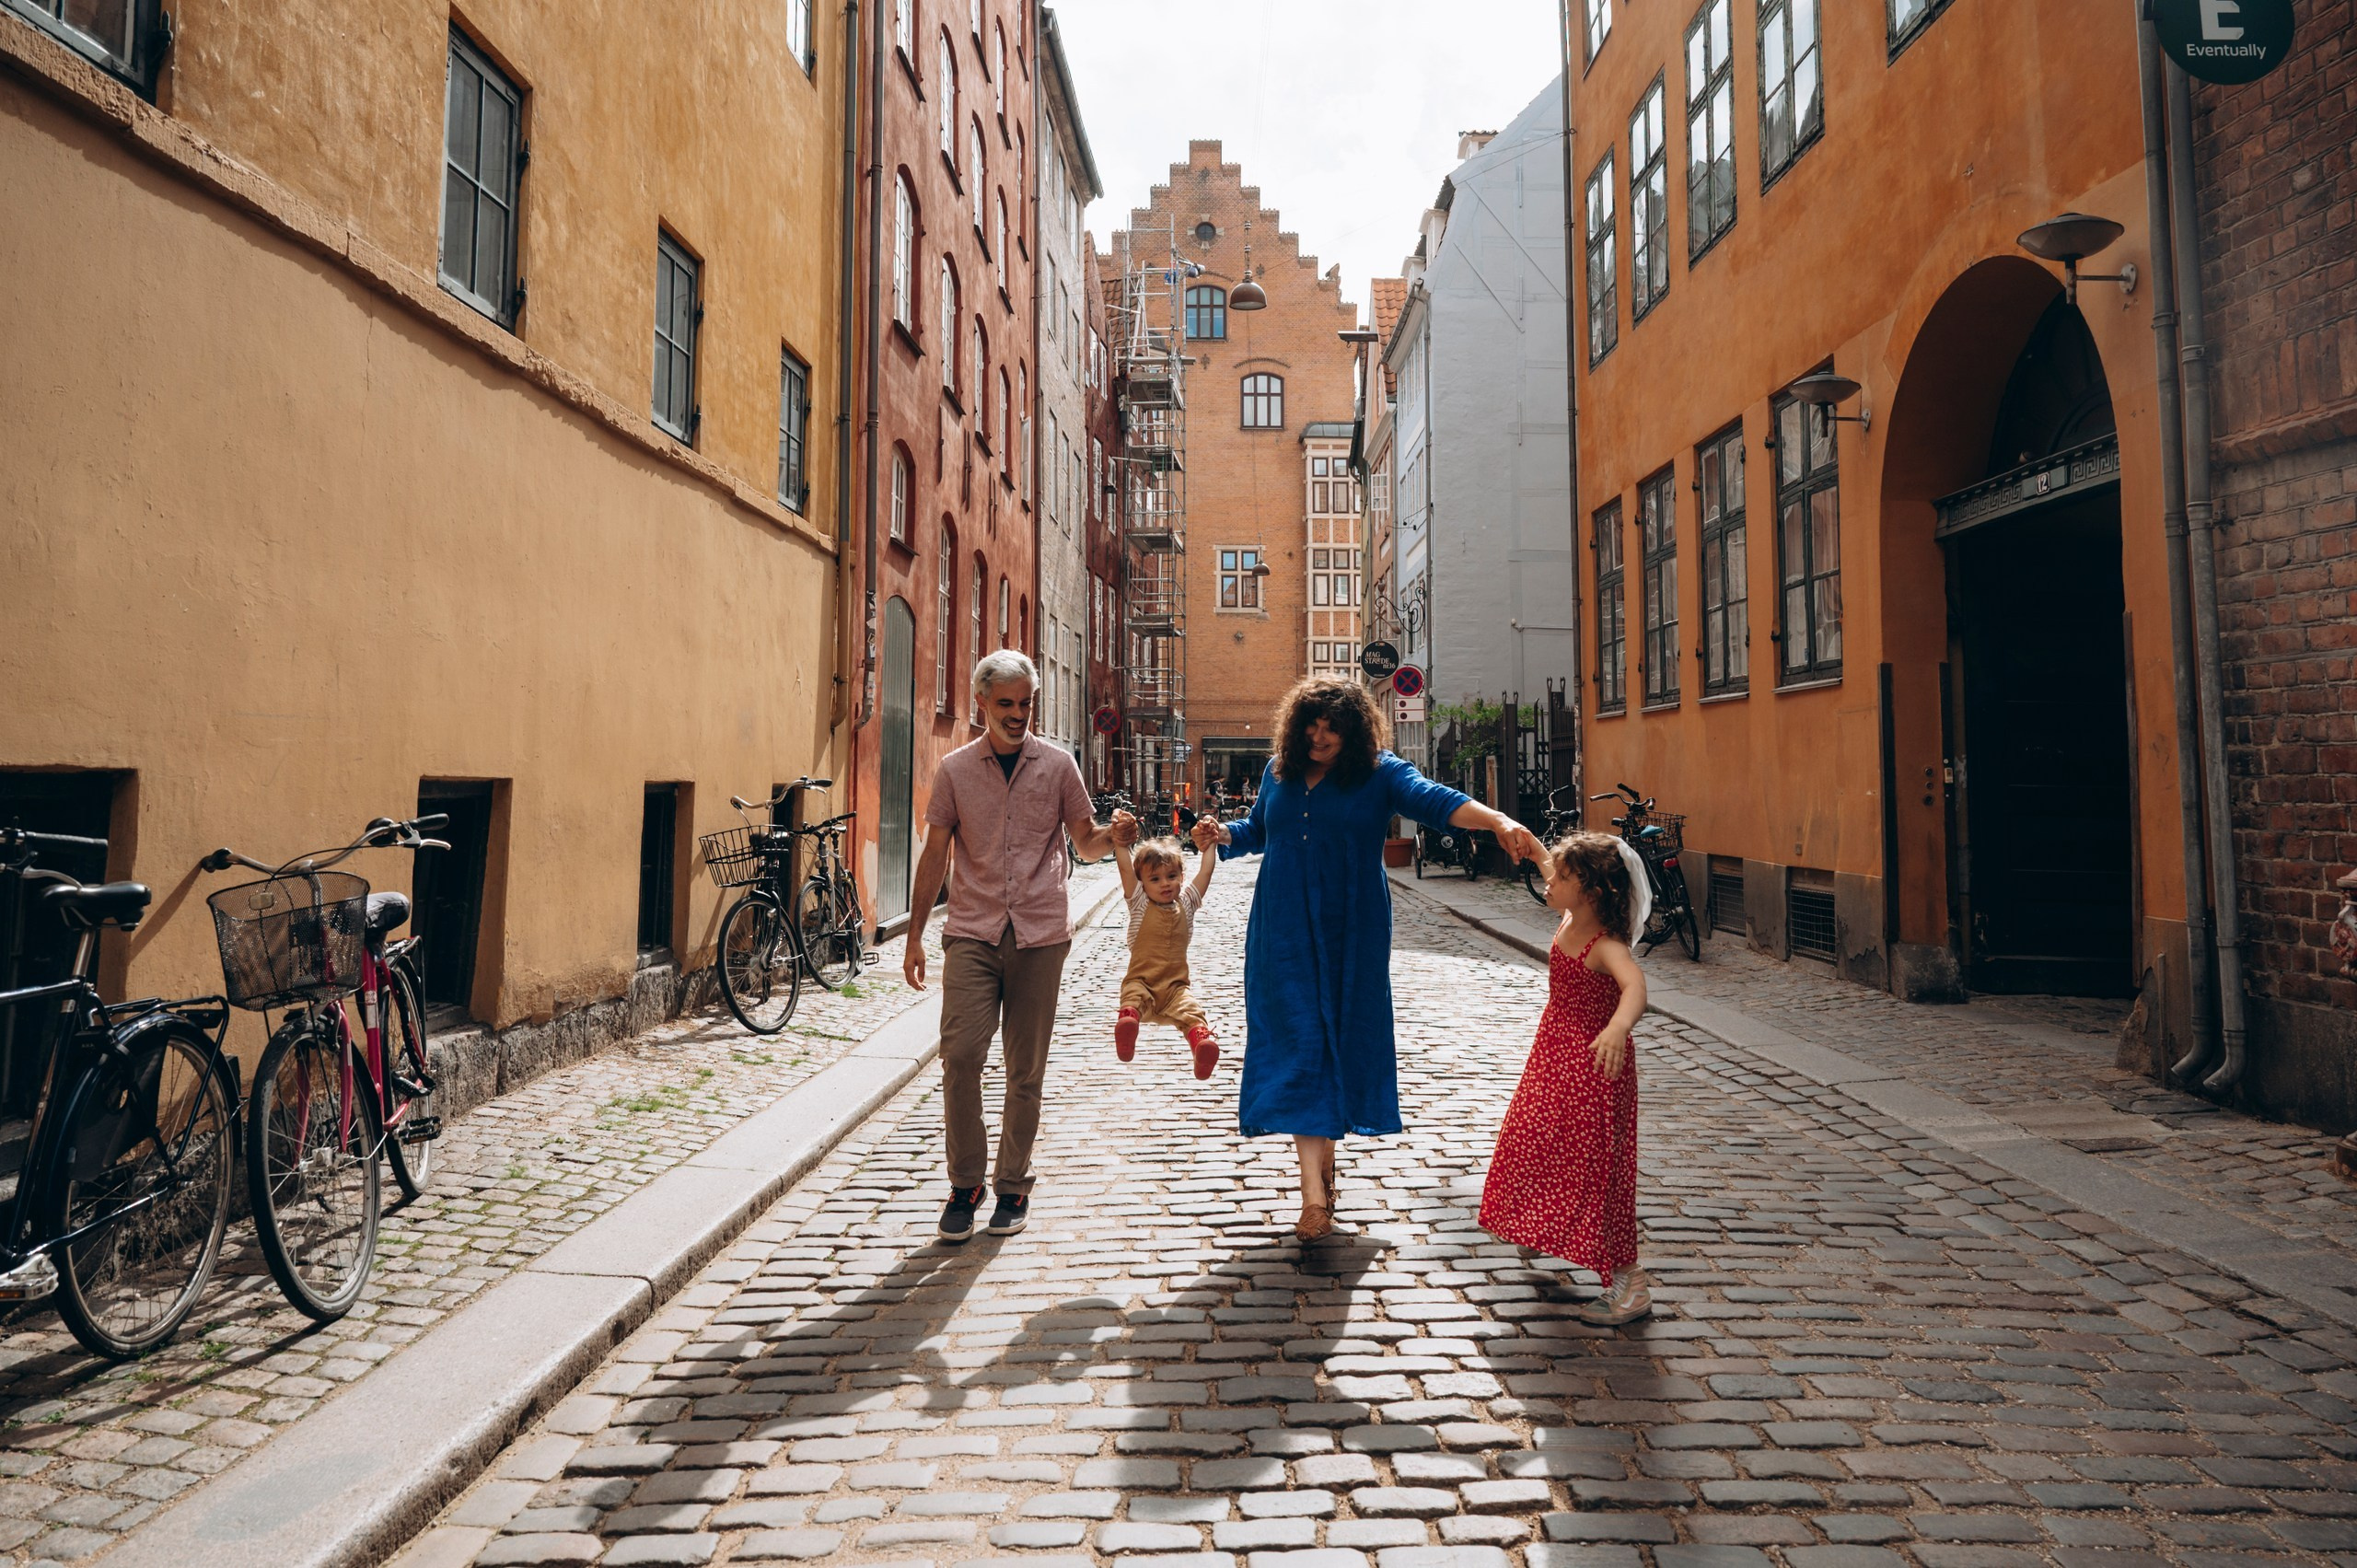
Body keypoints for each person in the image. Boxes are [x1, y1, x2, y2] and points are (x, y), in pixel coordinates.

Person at [1203, 677, 1546, 1241]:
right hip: (1282, 928)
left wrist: (1499, 821)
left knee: (1338, 1034)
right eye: (1311, 724)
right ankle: (1313, 1195)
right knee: (1298, 1039)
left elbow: (1438, 801)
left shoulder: (1381, 772)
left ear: (1354, 729)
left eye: (1332, 727)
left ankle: (1322, 1163)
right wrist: (1221, 835)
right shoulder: (1279, 772)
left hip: (1351, 930)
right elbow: (1261, 829)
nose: (1319, 736)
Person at [903, 650, 1131, 1243]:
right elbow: (935, 854)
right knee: (960, 1059)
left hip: (1039, 936)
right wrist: (915, 936)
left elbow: (1085, 842)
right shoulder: (954, 770)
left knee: (1025, 1070)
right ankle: (965, 1183)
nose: (1017, 714)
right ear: (981, 703)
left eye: (1026, 703)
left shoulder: (1057, 766)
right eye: (1005, 703)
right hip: (973, 932)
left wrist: (1117, 835)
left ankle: (1012, 1184)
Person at [1478, 831, 1653, 1324]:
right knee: (1532, 1140)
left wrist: (1618, 1027)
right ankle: (1538, 1224)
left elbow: (1635, 986)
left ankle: (1630, 1282)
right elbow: (1543, 866)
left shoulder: (1605, 944)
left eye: (1564, 875)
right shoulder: (1573, 915)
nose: (1550, 881)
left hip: (1595, 1067)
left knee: (1598, 1171)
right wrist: (1528, 844)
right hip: (1555, 1058)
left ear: (1593, 891)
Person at [1110, 820, 1224, 1079]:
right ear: (1143, 884)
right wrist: (1120, 844)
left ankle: (1202, 1045)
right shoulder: (1138, 903)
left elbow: (1205, 873)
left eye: (1172, 876)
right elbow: (1125, 870)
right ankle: (1128, 1024)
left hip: (1176, 988)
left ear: (1181, 877)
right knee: (1133, 995)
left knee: (1192, 1012)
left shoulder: (1188, 903)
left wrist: (1209, 845)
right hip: (1143, 982)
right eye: (1155, 879)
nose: (1165, 884)